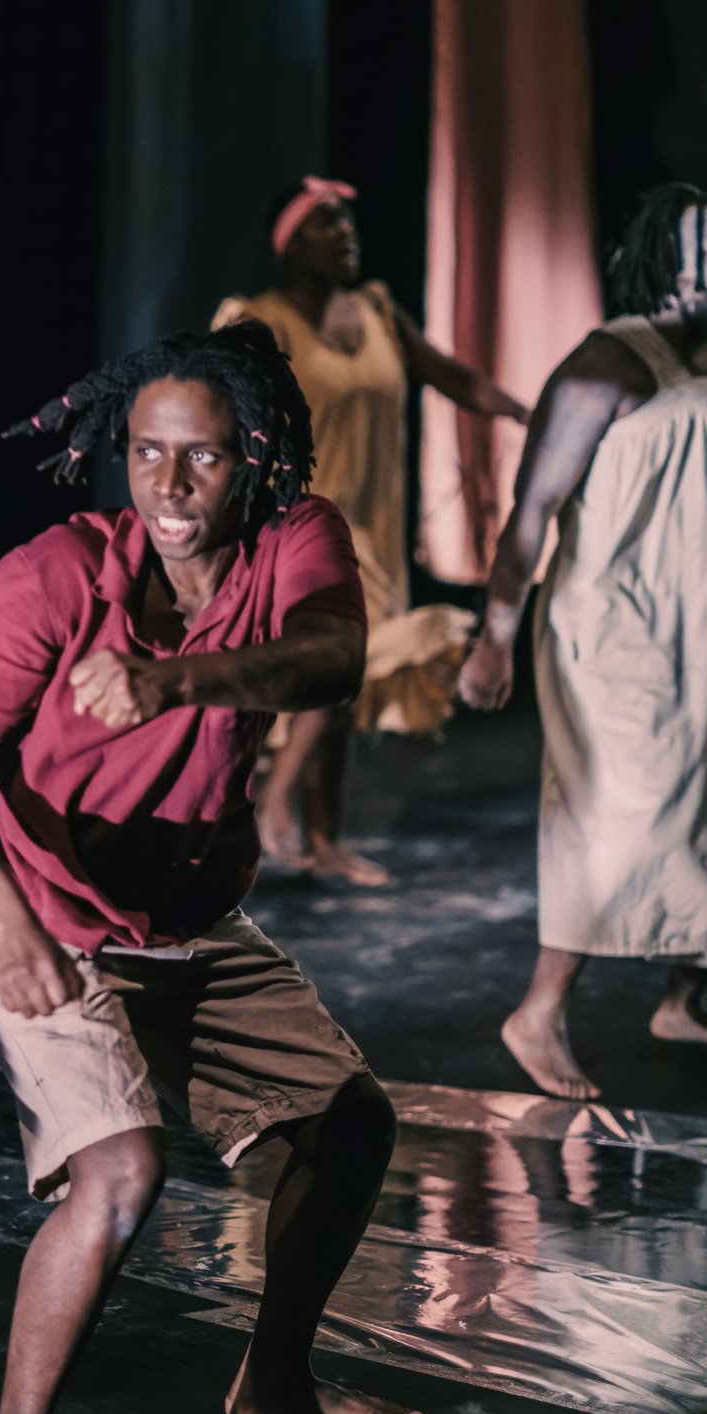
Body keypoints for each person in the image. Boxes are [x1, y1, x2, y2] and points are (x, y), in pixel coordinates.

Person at [0, 322, 422, 1414]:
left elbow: (333, 660)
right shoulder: (53, 573)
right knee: (122, 1172)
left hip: (182, 923)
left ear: (257, 457)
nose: (171, 486)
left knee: (349, 1128)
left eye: (203, 457)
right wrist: (9, 925)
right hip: (35, 907)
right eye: (146, 453)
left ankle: (272, 1387)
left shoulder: (295, 542)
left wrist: (173, 682)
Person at [460, 186, 707, 1101]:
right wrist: (493, 637)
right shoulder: (606, 361)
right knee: (625, 811)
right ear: (664, 257)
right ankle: (539, 1009)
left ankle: (683, 998)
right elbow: (532, 512)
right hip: (619, 629)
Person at [214, 176, 530, 887]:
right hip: (294, 526)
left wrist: (526, 413)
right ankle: (265, 807)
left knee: (342, 686)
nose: (346, 236)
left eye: (349, 224)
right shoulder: (258, 321)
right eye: (328, 224)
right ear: (290, 243)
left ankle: (321, 838)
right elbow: (221, 418)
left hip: (373, 534)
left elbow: (451, 375)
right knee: (330, 665)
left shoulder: (380, 310)